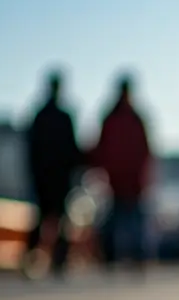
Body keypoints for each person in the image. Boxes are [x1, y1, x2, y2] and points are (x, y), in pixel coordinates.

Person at [22, 70, 83, 278]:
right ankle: (58, 260)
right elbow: (72, 149)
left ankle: (33, 258)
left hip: (45, 176)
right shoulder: (63, 117)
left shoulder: (40, 115)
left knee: (43, 218)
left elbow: (31, 147)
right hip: (58, 177)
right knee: (58, 220)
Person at [90, 74, 153, 273]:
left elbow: (145, 151)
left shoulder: (130, 118)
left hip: (131, 181)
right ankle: (113, 257)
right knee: (118, 221)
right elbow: (103, 148)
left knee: (131, 222)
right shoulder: (119, 118)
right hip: (117, 180)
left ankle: (137, 257)